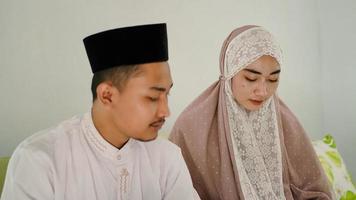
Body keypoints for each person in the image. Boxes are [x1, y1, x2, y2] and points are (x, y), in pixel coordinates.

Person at [1, 23, 199, 200]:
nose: (166, 111)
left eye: (168, 95)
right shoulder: (39, 160)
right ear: (107, 95)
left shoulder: (167, 157)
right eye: (153, 97)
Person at [169, 25, 334, 199]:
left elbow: (315, 188)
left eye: (273, 79)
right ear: (229, 71)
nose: (263, 91)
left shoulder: (286, 123)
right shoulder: (191, 127)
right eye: (251, 78)